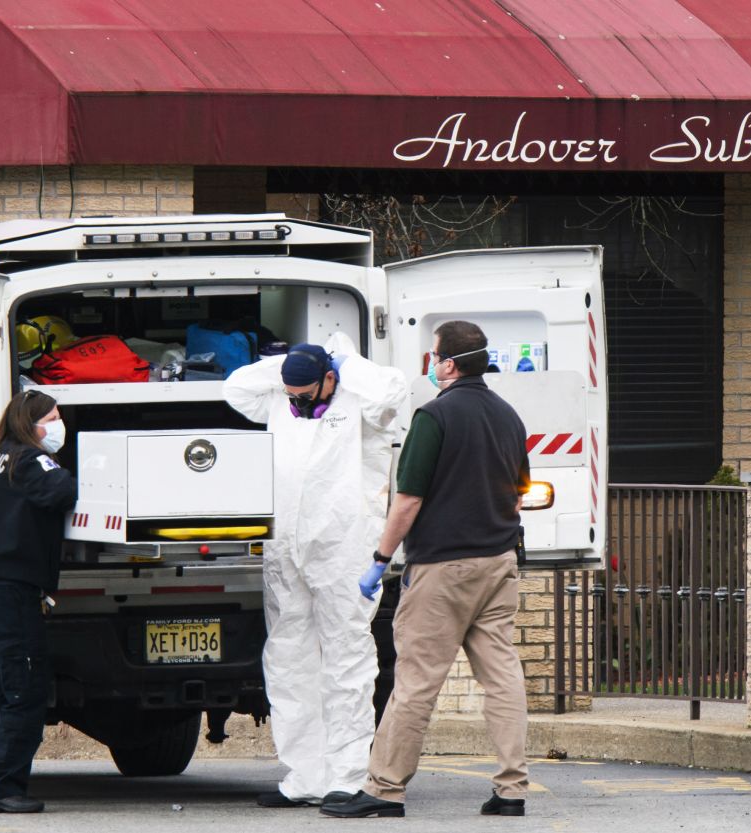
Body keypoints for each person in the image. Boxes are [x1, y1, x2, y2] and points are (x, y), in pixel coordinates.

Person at [324, 320, 532, 820]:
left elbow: (408, 499)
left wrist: (379, 559)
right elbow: (521, 486)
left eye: (434, 355)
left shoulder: (434, 416)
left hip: (443, 568)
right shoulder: (509, 417)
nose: (431, 363)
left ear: (450, 364)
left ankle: (384, 788)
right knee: (503, 677)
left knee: (416, 679)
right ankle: (512, 790)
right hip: (500, 563)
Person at [223, 333, 408, 808]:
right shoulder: (281, 405)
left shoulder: (362, 405)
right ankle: (303, 775)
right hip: (286, 547)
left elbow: (393, 389)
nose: (299, 405)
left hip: (342, 548)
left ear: (331, 379)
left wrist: (344, 363)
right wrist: (291, 363)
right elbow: (236, 388)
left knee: (347, 661)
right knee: (288, 659)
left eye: (307, 395)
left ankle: (346, 774)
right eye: (293, 396)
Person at [0, 390, 77, 814]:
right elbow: (60, 491)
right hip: (11, 590)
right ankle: (3, 788)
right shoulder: (30, 461)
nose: (58, 423)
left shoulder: (0, 456)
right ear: (30, 424)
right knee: (24, 690)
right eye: (52, 416)